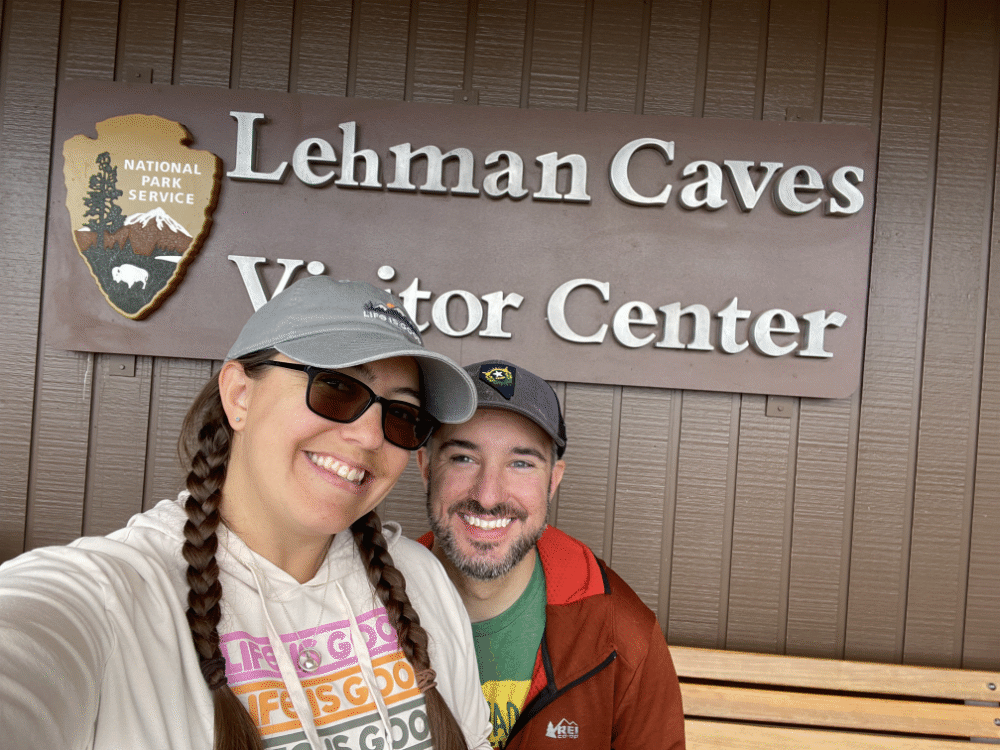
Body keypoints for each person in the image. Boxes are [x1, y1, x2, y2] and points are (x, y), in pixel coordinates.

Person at [0, 277, 492, 750]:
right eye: (336, 388)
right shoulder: (112, 596)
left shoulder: (419, 579)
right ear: (240, 395)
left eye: (402, 416)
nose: (369, 437)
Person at [417, 360, 686, 749]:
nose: (488, 494)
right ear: (426, 468)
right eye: (464, 458)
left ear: (553, 481)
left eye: (521, 463)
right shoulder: (361, 606)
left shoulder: (620, 633)